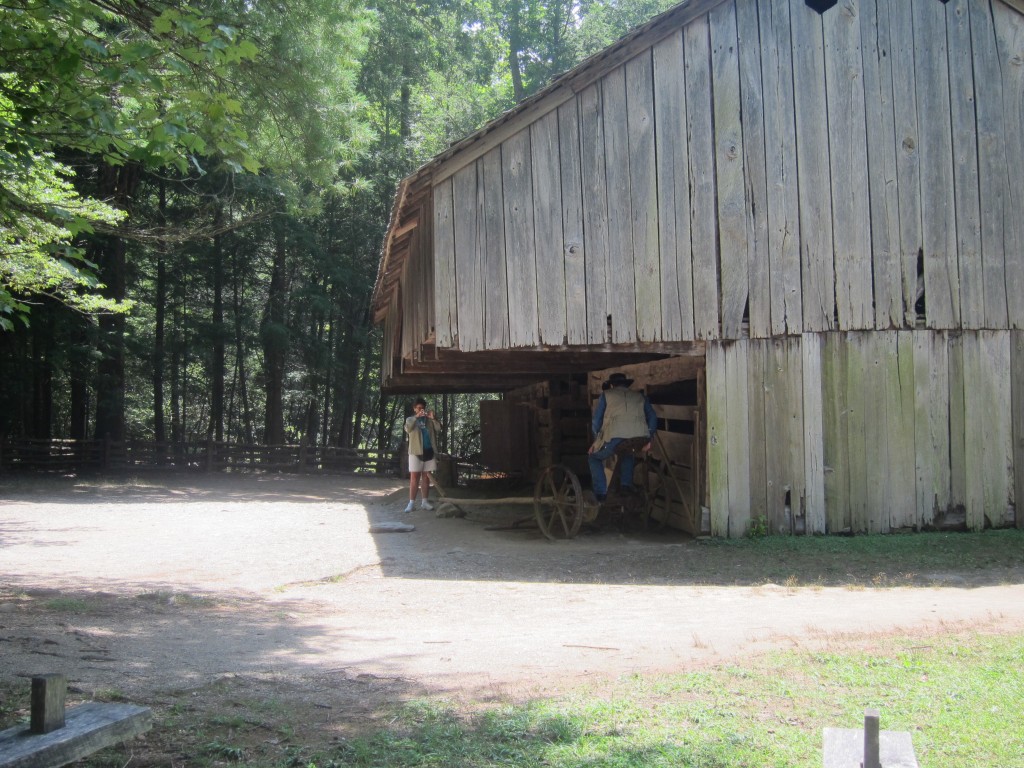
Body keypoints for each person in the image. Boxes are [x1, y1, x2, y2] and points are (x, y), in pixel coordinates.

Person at [588, 372, 657, 502]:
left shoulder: (606, 395)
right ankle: (626, 486)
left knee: (594, 458)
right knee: (628, 452)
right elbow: (652, 417)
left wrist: (596, 441)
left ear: (612, 385)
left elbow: (596, 421)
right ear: (626, 384)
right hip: (639, 437)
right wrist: (650, 437)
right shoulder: (640, 396)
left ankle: (601, 494)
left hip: (615, 437)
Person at [404, 397, 441, 513]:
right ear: (414, 409)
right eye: (419, 408)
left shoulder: (429, 420)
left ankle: (424, 502)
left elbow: (439, 428)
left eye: (423, 408)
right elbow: (408, 429)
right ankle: (411, 503)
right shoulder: (410, 419)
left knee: (426, 477)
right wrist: (416, 417)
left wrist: (433, 418)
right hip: (415, 452)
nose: (421, 410)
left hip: (429, 451)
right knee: (414, 478)